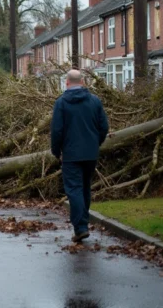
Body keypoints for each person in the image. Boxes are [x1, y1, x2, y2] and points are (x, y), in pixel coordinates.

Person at [51, 70, 109, 243]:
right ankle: (82, 223)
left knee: (74, 189)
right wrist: (95, 143)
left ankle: (81, 227)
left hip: (70, 154)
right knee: (84, 188)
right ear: (83, 82)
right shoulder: (95, 101)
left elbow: (57, 131)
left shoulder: (61, 103)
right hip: (90, 154)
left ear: (67, 83)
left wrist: (56, 151)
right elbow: (104, 127)